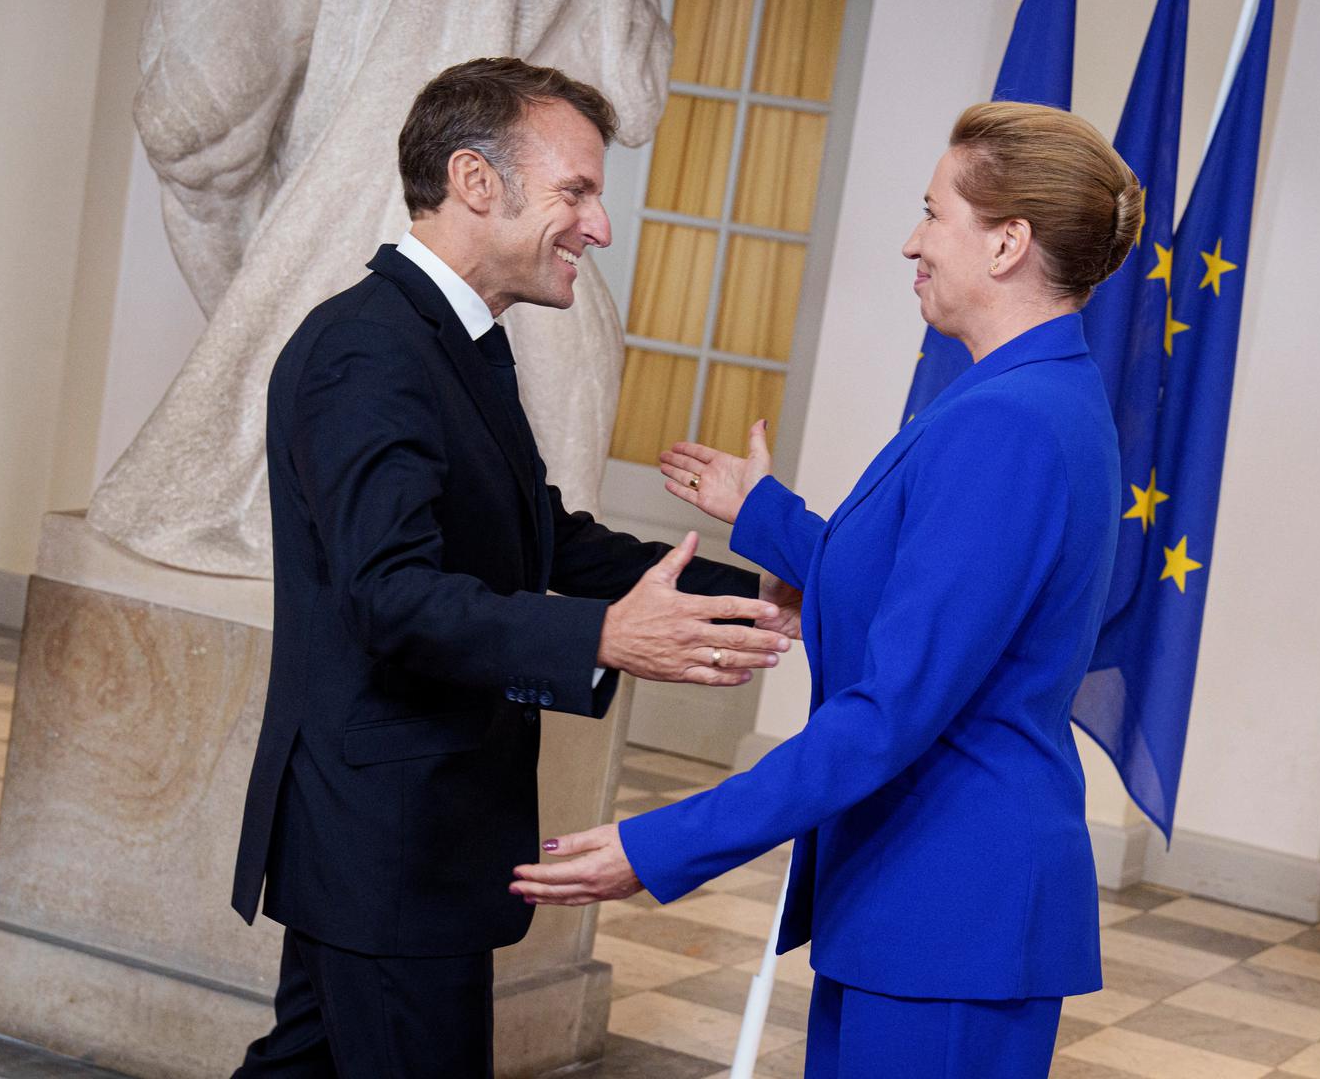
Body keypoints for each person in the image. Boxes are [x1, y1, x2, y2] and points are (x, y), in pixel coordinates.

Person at [512, 101, 1142, 1078]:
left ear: (1008, 242)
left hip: (951, 909)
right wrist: (763, 512)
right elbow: (920, 590)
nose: (912, 243)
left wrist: (667, 840)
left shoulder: (1008, 423)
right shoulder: (1018, 396)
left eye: (934, 215)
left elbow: (896, 705)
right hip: (912, 896)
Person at [229, 58, 797, 1078]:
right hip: (387, 841)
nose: (600, 226)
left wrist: (756, 591)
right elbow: (388, 596)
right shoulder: (370, 351)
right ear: (476, 182)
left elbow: (547, 540)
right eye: (577, 190)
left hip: (395, 837)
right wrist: (601, 638)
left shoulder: (448, 342)